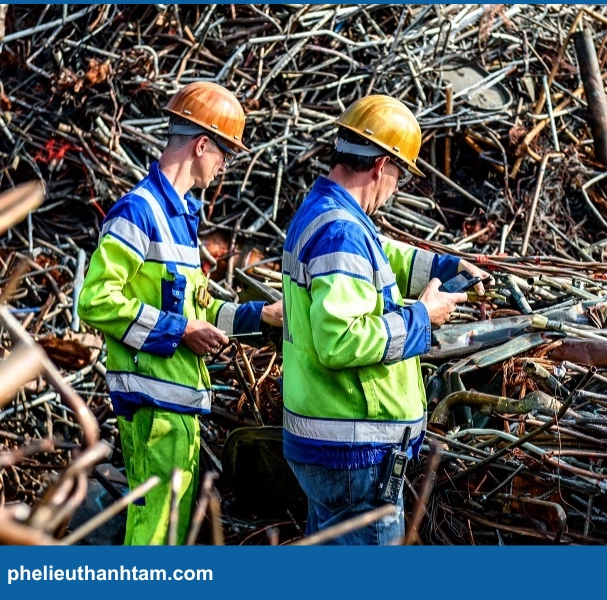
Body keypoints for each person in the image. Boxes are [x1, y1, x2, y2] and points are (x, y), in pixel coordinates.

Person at [78, 82, 282, 545]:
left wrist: (260, 316)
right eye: (224, 153)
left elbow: (201, 310)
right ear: (202, 144)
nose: (224, 165)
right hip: (154, 411)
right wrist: (180, 329)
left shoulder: (180, 219)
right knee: (155, 538)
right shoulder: (141, 211)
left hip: (174, 411)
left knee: (164, 534)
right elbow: (95, 300)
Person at [280, 95, 488, 544]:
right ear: (380, 167)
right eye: (399, 176)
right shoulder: (342, 231)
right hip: (353, 455)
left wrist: (444, 267)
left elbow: (380, 258)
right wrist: (422, 316)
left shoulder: (325, 212)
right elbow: (340, 341)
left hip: (329, 444)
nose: (396, 188)